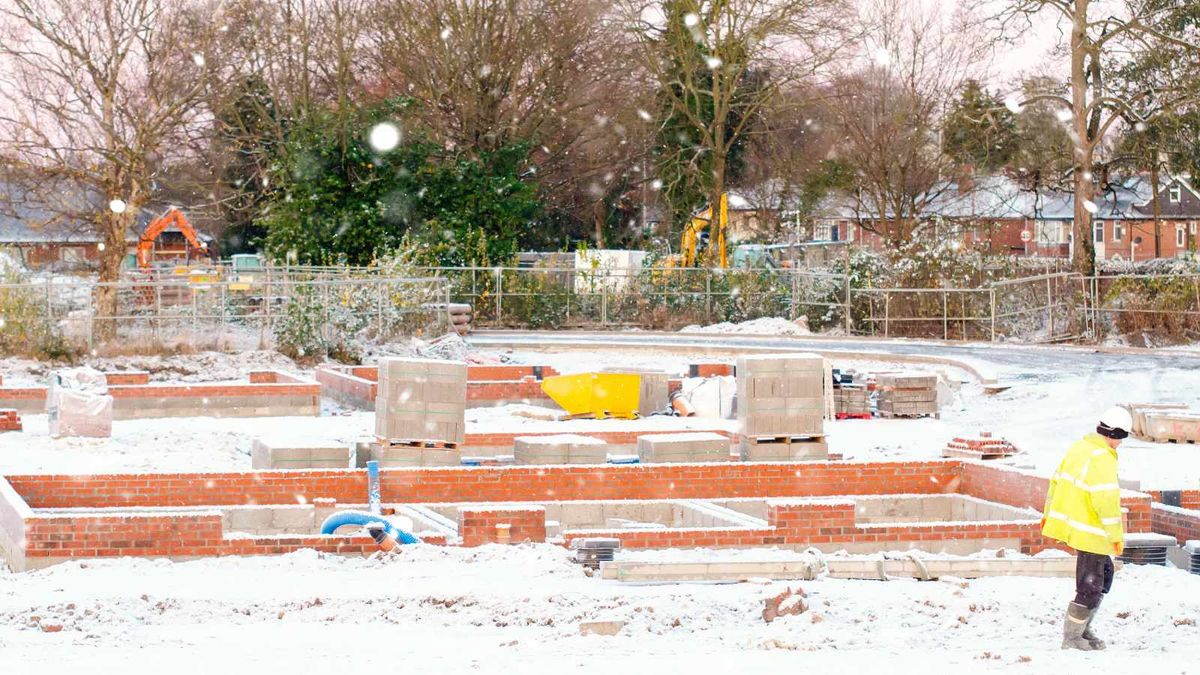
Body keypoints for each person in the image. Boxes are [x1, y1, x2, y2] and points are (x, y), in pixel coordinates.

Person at [1041, 406, 1132, 651]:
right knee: (1090, 586)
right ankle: (1071, 638)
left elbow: (1055, 482)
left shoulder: (1080, 448)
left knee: (1103, 577)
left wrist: (1049, 515)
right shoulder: (1102, 457)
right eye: (1121, 438)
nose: (1120, 444)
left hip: (1079, 527)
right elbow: (1106, 501)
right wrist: (1115, 536)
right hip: (1092, 533)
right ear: (1115, 434)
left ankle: (1083, 628)